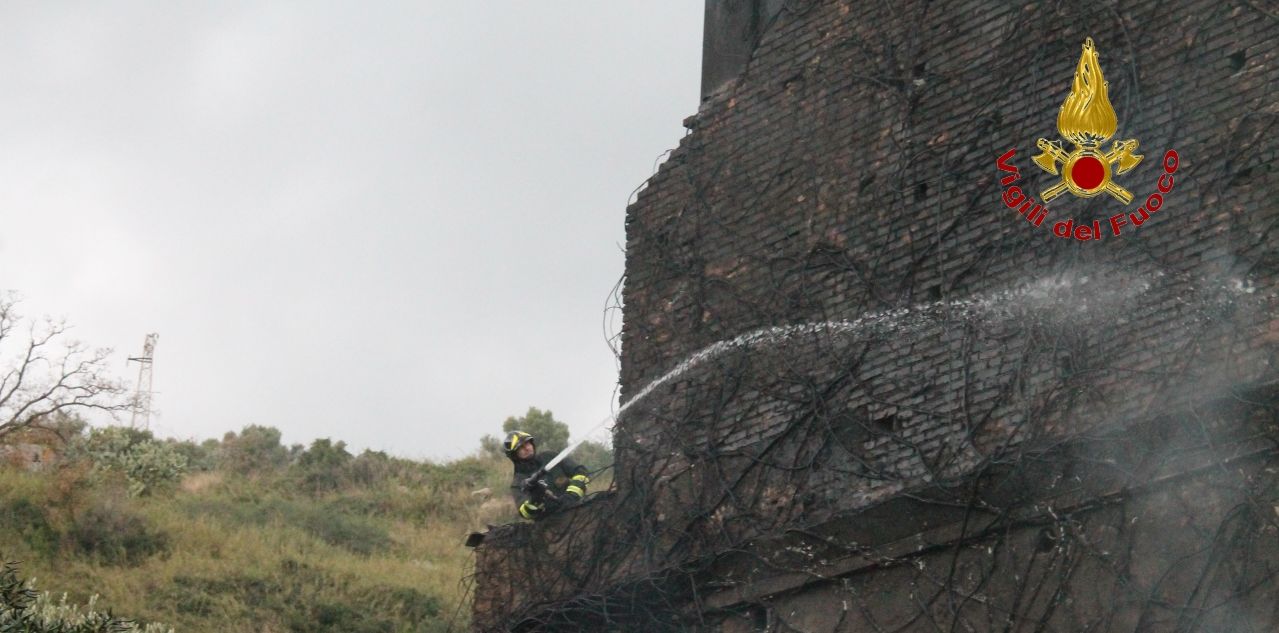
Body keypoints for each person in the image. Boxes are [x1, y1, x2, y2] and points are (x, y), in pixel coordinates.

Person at [503, 430, 590, 521]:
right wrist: (535, 499)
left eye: (527, 444)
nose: (527, 448)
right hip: (551, 524)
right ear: (514, 455)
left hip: (579, 511)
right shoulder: (518, 482)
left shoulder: (550, 457)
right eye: (521, 447)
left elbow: (581, 472)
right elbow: (525, 513)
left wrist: (572, 496)